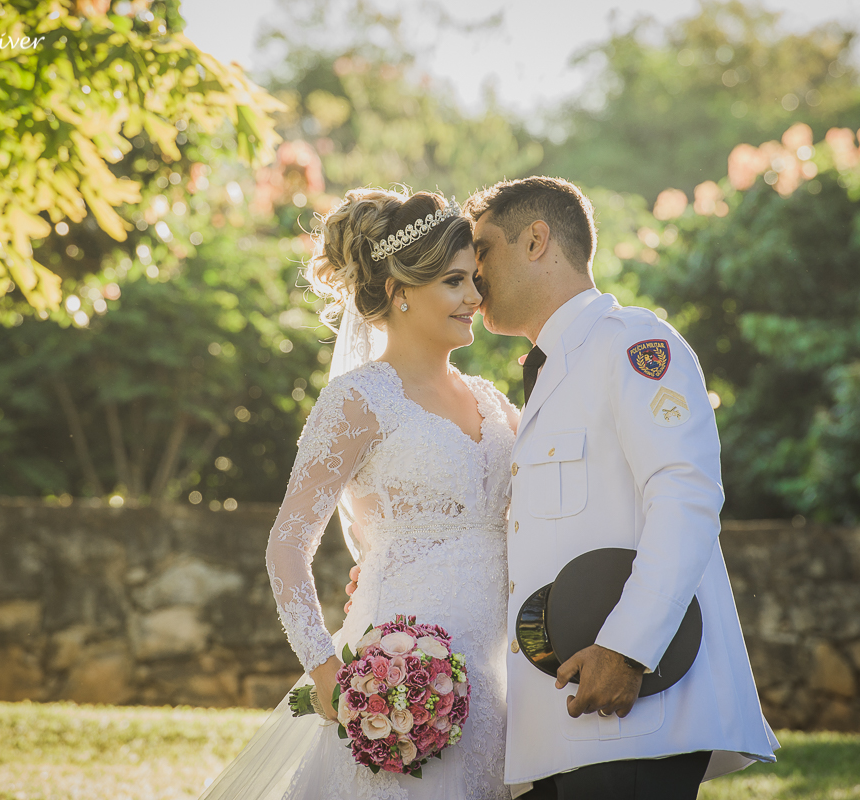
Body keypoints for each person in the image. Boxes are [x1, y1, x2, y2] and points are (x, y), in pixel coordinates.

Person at [350, 176, 780, 799]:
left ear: (536, 240)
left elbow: (685, 494)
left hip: (633, 707)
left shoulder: (633, 343)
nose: (472, 271)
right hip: (558, 724)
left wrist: (629, 648)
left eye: (484, 248)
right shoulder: (542, 377)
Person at [199, 188, 520, 800]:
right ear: (401, 290)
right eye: (455, 282)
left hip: (493, 677)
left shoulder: (491, 401)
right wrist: (326, 670)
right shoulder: (357, 401)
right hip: (399, 680)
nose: (476, 298)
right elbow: (288, 545)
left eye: (474, 280)